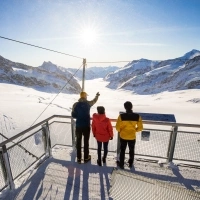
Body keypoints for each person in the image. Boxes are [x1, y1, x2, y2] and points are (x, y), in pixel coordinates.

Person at [71, 91, 100, 164]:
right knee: (86, 142)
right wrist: (97, 96)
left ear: (80, 96)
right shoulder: (88, 104)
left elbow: (73, 115)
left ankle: (79, 158)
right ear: (85, 96)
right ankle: (86, 157)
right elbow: (94, 101)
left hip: (78, 126)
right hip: (86, 126)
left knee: (78, 141)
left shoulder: (75, 104)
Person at [116, 101, 143, 169]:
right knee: (131, 150)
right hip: (132, 136)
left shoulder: (121, 116)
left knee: (122, 150)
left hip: (123, 136)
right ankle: (130, 163)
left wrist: (121, 131)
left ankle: (121, 164)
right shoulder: (137, 116)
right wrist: (135, 130)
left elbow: (117, 127)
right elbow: (140, 128)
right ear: (132, 107)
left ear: (125, 108)